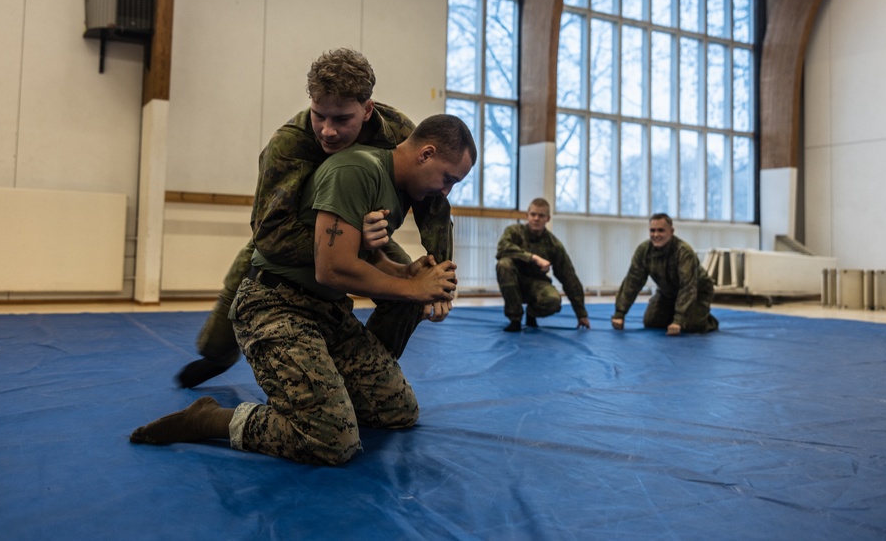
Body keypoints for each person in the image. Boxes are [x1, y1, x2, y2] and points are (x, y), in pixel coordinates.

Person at [131, 114, 477, 465]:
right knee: (331, 440)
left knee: (398, 411)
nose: (446, 191)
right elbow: (332, 268)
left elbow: (363, 251)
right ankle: (209, 418)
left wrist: (406, 273)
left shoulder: (396, 178)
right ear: (426, 153)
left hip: (327, 310)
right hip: (275, 304)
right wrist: (413, 288)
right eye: (447, 179)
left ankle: (325, 395)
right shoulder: (352, 168)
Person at [175, 48, 453, 389]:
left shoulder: (397, 132)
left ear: (367, 110)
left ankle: (365, 378)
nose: (327, 130)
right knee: (216, 341)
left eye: (341, 119)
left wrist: (441, 276)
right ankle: (217, 355)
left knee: (413, 292)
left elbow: (434, 203)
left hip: (362, 235)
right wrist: (354, 241)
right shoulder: (289, 144)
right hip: (290, 242)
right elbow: (269, 235)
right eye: (319, 115)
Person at [611, 213, 719, 336]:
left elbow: (688, 287)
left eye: (661, 230)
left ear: (671, 232)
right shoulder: (644, 250)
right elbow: (632, 281)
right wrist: (620, 314)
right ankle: (677, 313)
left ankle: (706, 319)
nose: (656, 235)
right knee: (651, 322)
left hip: (697, 292)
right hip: (667, 292)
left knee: (689, 326)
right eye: (652, 231)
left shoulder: (684, 252)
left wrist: (678, 321)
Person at [495, 197, 591, 332]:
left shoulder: (554, 245)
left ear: (548, 218)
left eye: (541, 215)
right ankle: (515, 319)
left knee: (553, 301)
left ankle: (531, 314)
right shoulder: (513, 232)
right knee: (503, 264)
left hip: (537, 285)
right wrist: (534, 258)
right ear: (527, 215)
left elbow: (569, 278)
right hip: (514, 283)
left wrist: (581, 314)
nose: (536, 218)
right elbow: (502, 249)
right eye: (533, 214)